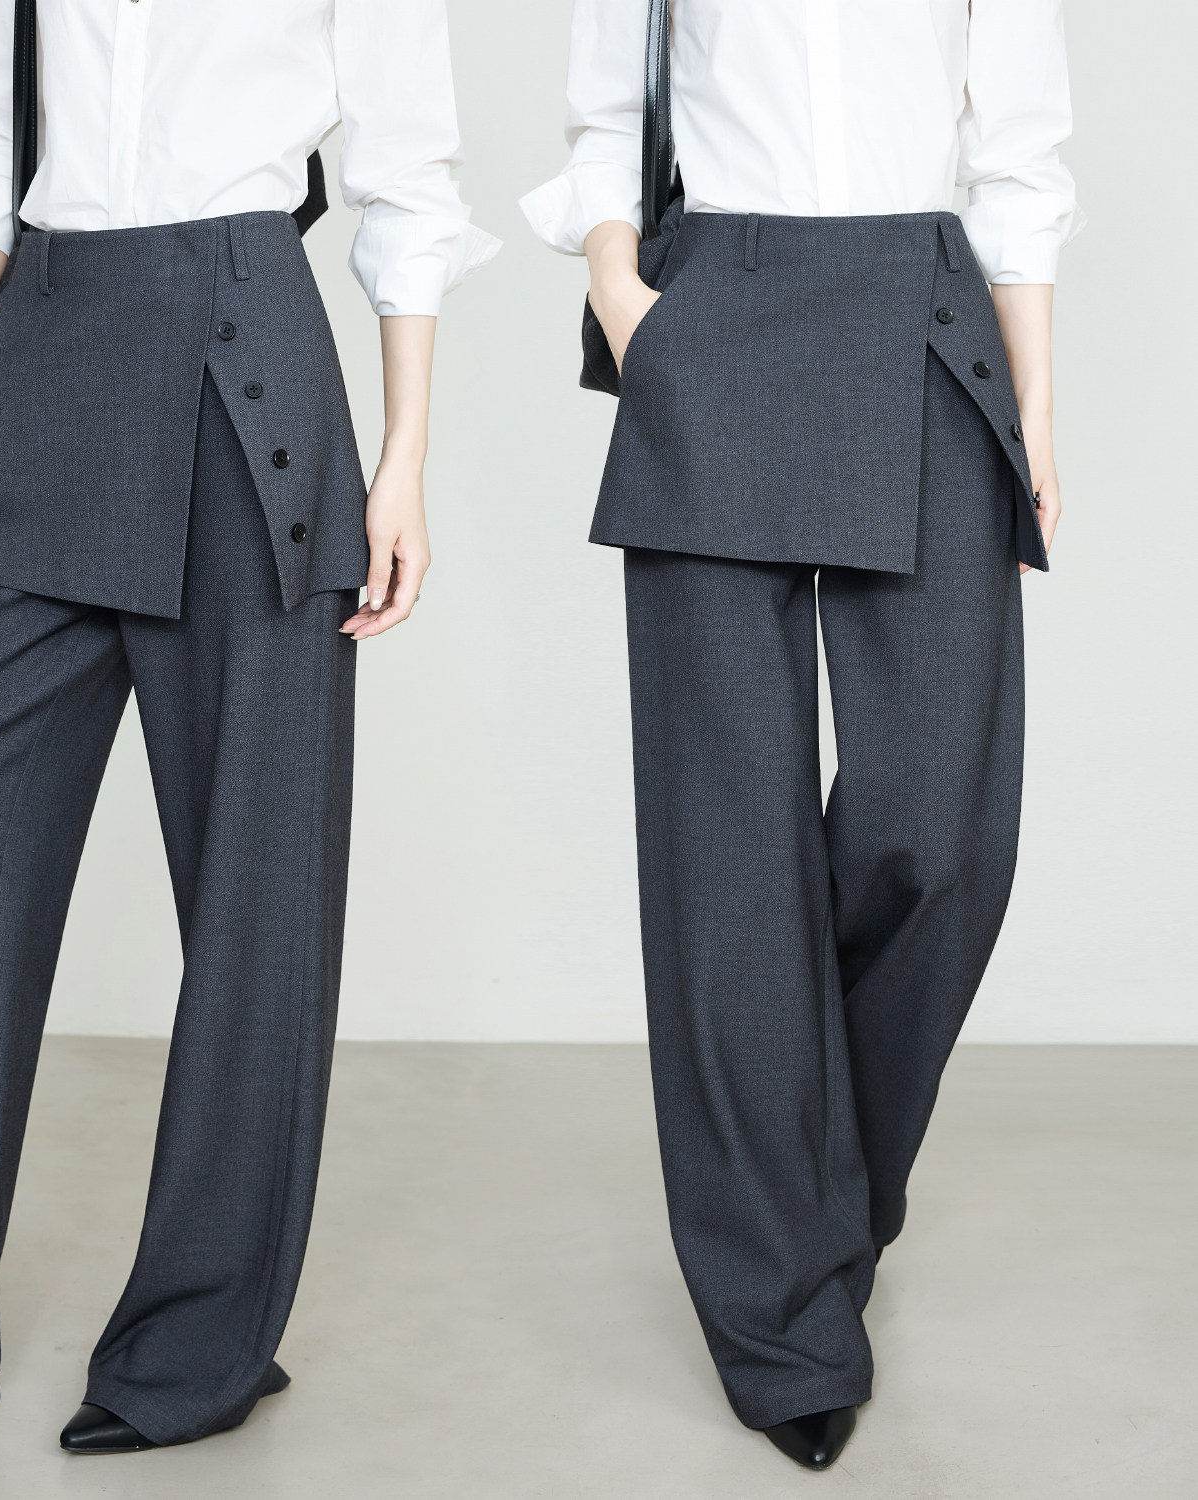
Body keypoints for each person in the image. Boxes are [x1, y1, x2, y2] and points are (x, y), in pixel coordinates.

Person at [0, 0, 496, 1455]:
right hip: (48, 346)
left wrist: (405, 458)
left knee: (255, 893)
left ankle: (194, 1351)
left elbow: (404, 176)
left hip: (243, 356)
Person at [521, 0, 1080, 1472]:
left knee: (939, 829)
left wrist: (1035, 399)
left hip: (924, 308)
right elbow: (606, 118)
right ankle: (780, 1315)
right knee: (728, 856)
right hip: (713, 307)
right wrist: (630, 304)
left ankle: (817, 1196)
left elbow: (1018, 153)